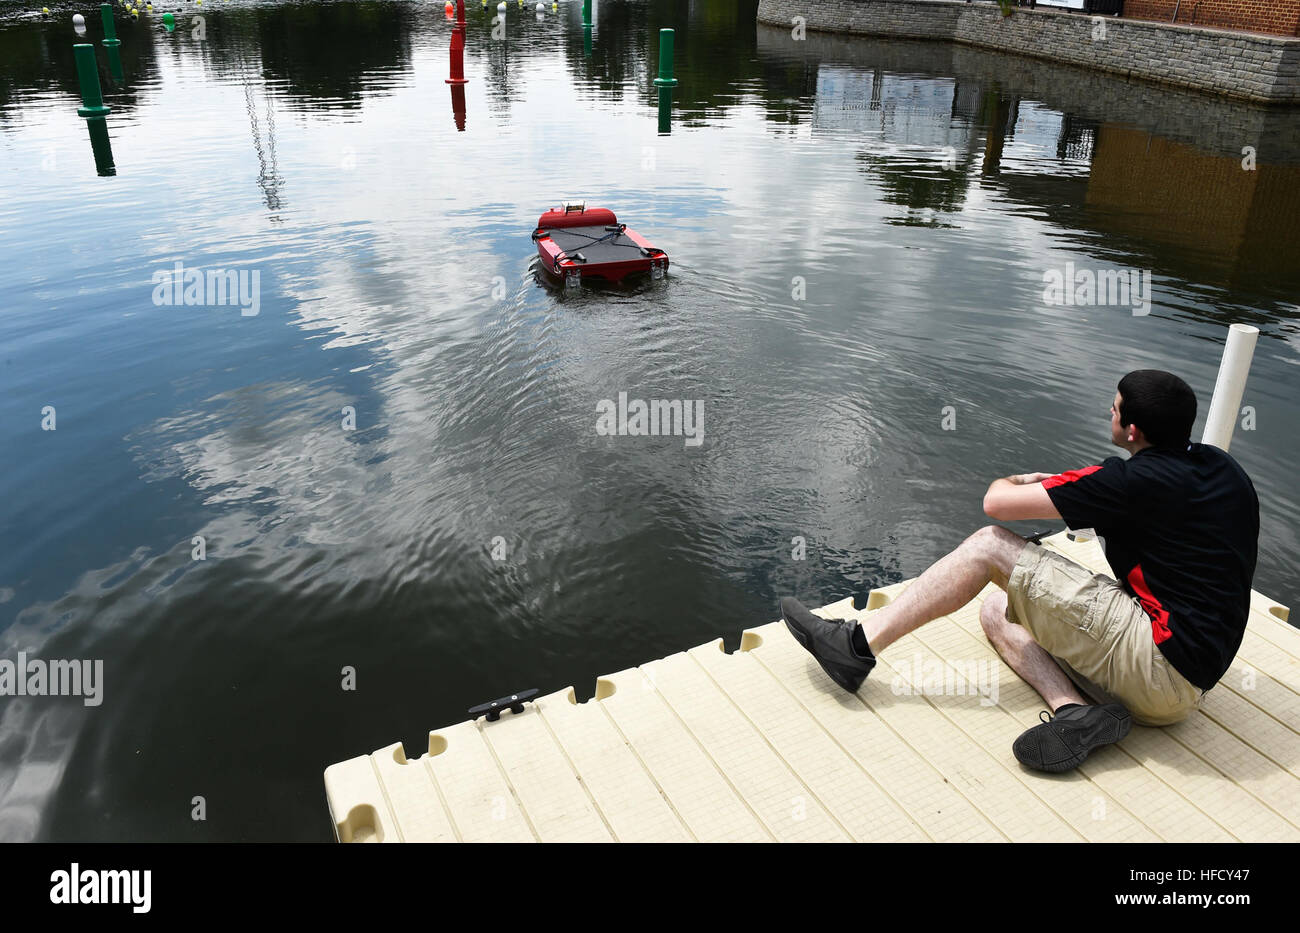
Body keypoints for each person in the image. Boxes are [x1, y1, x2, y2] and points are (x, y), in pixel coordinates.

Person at [780, 370, 1259, 773]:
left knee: (989, 547)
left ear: (1132, 431)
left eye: (1113, 409)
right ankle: (1073, 711)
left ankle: (855, 648)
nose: (1107, 414)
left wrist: (1018, 480)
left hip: (1156, 662)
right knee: (998, 610)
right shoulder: (1224, 468)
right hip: (1187, 690)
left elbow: (997, 504)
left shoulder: (1128, 481)